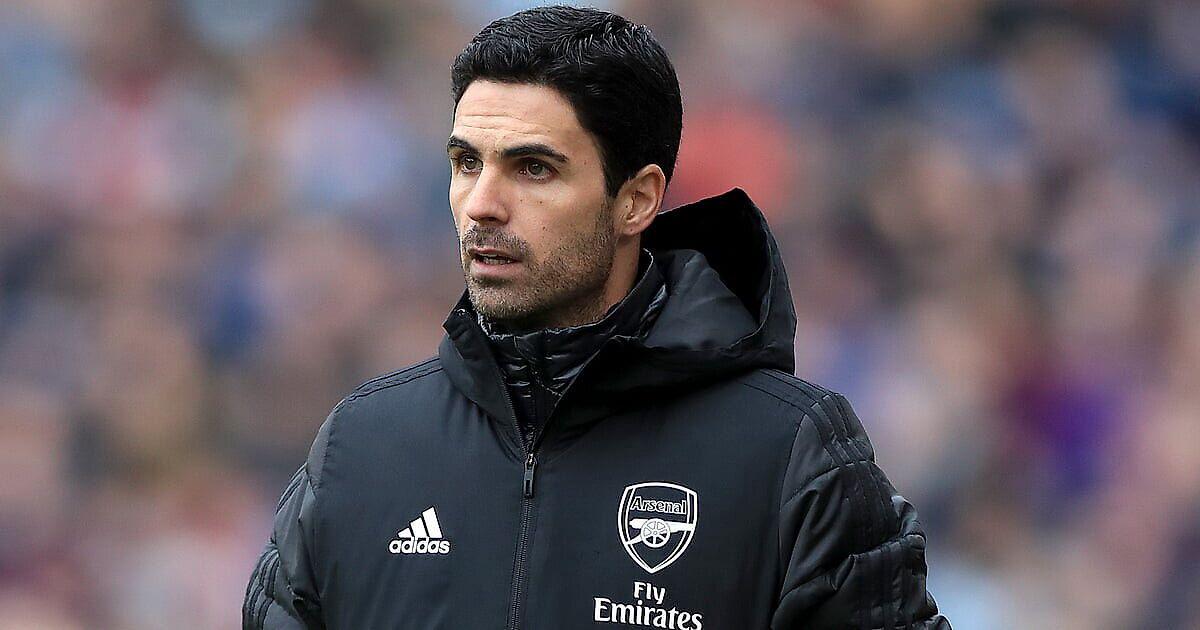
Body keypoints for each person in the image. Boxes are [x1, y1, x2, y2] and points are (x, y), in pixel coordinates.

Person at [243, 6, 950, 629]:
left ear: (637, 200)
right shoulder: (360, 449)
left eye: (533, 169)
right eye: (466, 162)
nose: (481, 204)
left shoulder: (791, 455)